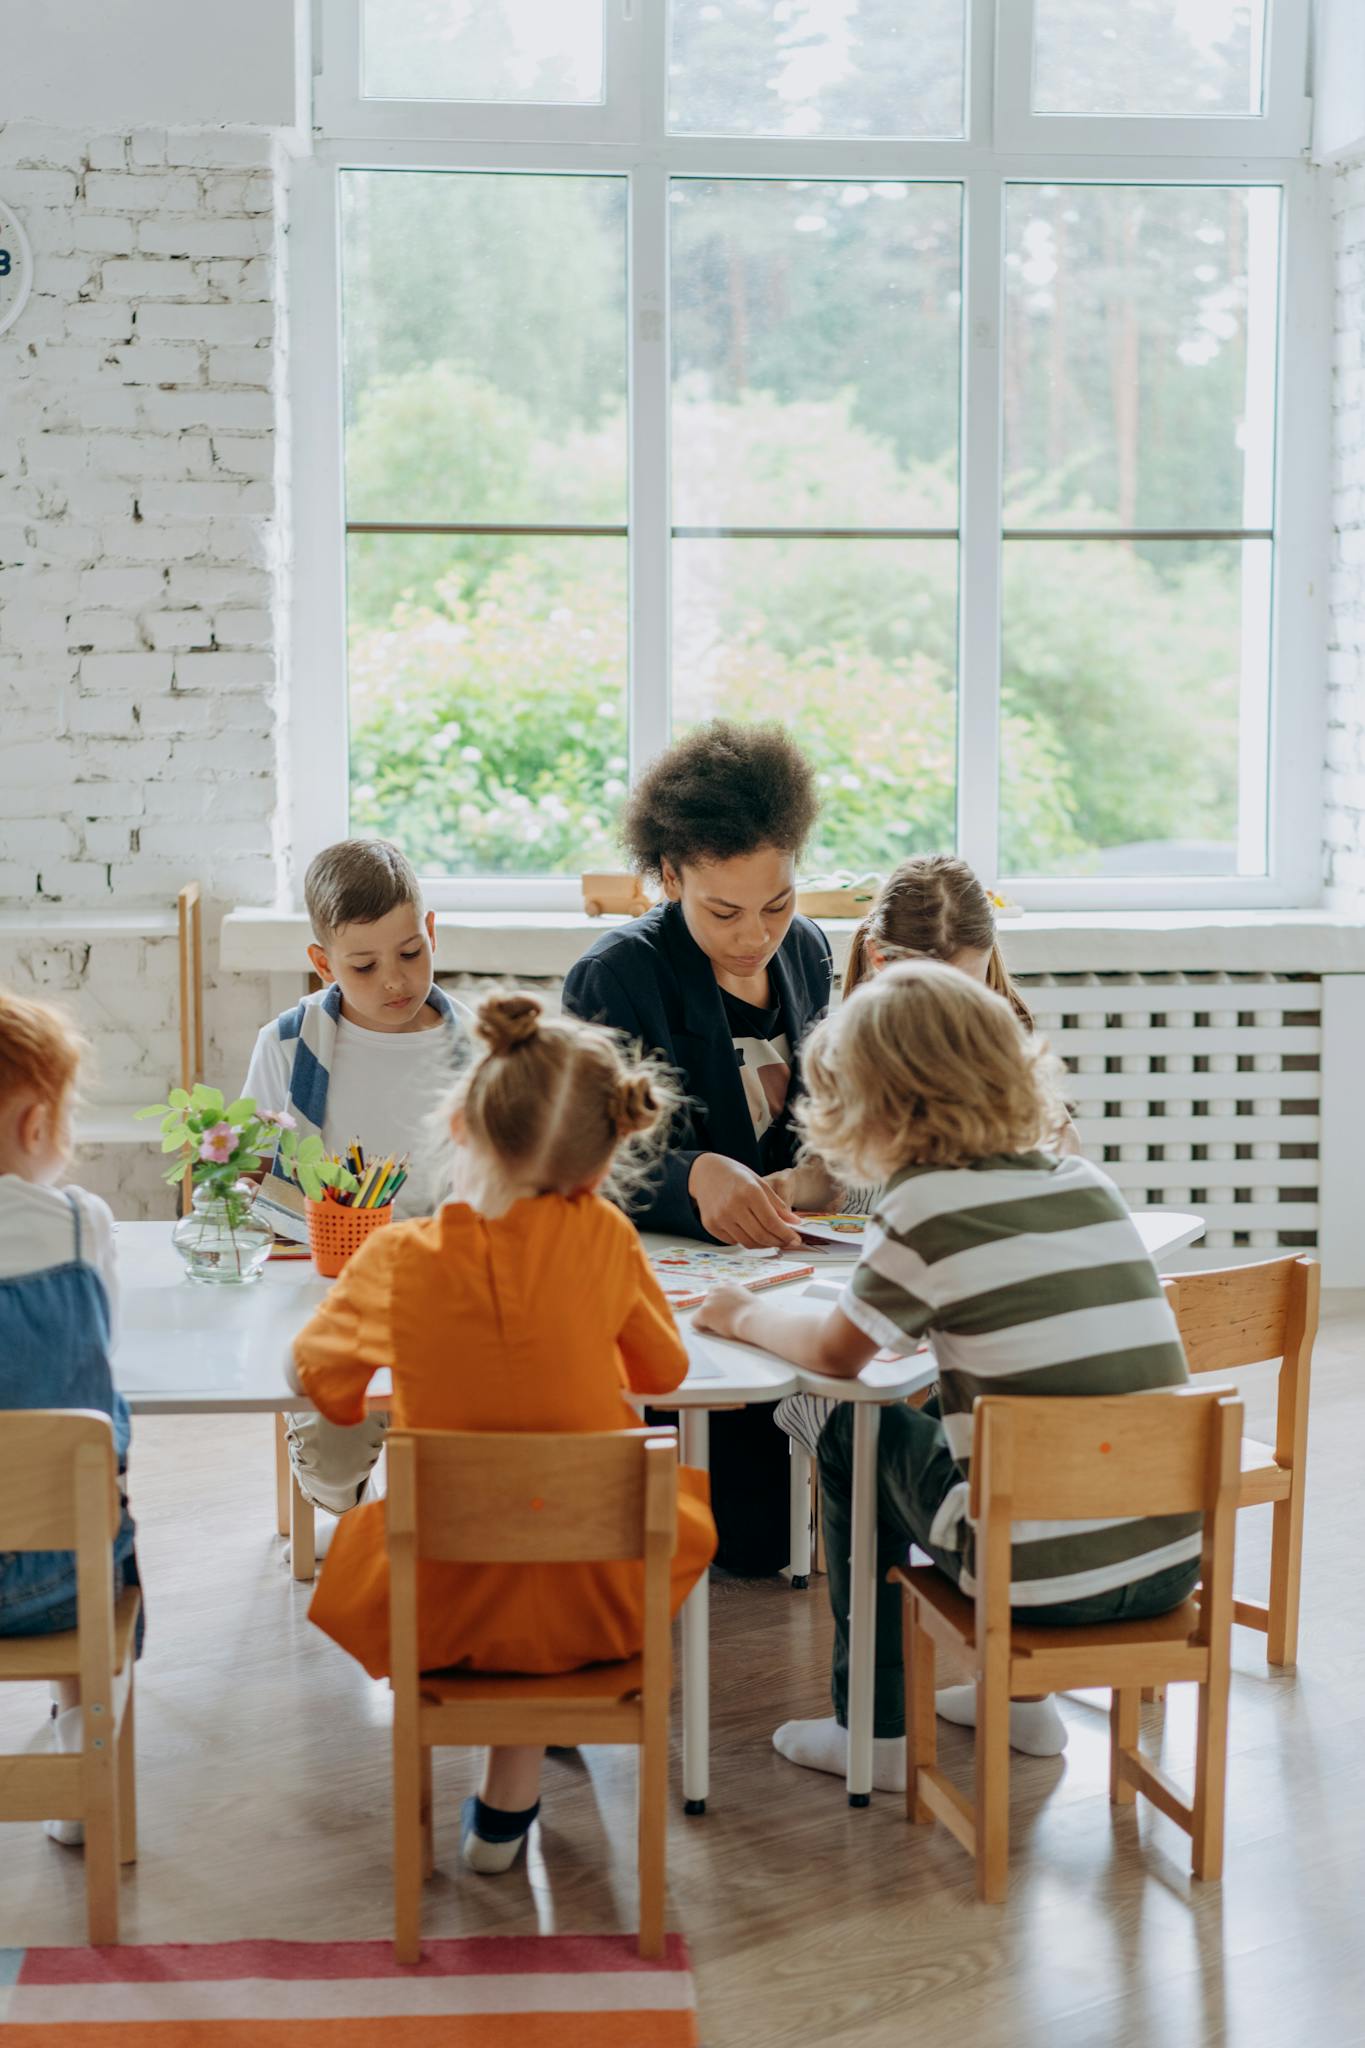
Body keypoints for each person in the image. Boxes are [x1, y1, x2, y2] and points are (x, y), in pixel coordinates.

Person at [695, 962, 1198, 1787]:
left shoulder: (923, 1203)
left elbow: (832, 1355)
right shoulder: (1087, 1185)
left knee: (850, 1430)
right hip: (1168, 1558)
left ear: (876, 1105)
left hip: (1038, 1579)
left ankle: (873, 1730)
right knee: (1015, 1449)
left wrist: (738, 1313)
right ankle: (1019, 1705)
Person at [291, 992, 716, 1874]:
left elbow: (324, 1388)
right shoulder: (605, 1238)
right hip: (599, 1598)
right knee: (539, 1550)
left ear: (456, 1123)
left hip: (436, 1601)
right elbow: (663, 1375)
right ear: (599, 1169)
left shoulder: (398, 1257)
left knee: (482, 1551)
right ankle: (502, 1814)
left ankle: (495, 1817)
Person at [562, 719, 834, 1576]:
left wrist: (825, 1167)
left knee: (813, 1518)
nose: (756, 935)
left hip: (792, 1274)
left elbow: (821, 1114)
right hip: (676, 1300)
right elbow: (580, 1161)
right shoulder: (616, 977)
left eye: (777, 904)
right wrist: (692, 1175)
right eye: (723, 911)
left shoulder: (812, 953)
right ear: (669, 875)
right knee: (747, 1544)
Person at [243, 838, 473, 1519]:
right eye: (363, 966)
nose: (395, 982)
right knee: (336, 1480)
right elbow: (258, 1188)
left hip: (452, 1292)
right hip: (332, 1296)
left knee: (468, 1471)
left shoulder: (482, 1046)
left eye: (410, 953)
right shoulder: (286, 1044)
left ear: (431, 932)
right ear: (322, 965)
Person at [0, 991, 142, 1849]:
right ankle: (77, 1762)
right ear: (35, 1125)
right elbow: (107, 1342)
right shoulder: (81, 1225)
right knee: (93, 1507)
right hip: (61, 1583)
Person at [769, 853, 1077, 1223]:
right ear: (879, 958)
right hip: (862, 1248)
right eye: (924, 987)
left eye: (962, 987)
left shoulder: (998, 1052)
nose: (942, 1010)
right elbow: (831, 1177)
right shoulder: (837, 1047)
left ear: (987, 957)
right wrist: (790, 1186)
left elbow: (1063, 1150)